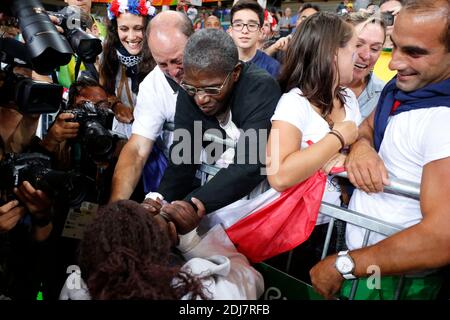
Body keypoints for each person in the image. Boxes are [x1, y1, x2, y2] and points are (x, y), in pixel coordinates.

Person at [310, 0, 450, 300]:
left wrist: (344, 265)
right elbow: (367, 129)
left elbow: (442, 237)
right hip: (364, 267)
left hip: (395, 283)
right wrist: (362, 148)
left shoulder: (444, 119)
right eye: (395, 46)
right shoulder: (404, 88)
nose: (393, 62)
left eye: (414, 52)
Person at [145, 28, 281, 233]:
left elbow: (250, 165)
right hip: (218, 193)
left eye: (212, 89)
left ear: (235, 73)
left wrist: (189, 205)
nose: (201, 98)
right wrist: (161, 200)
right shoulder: (188, 90)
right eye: (193, 88)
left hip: (258, 206)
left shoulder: (259, 87)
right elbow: (183, 157)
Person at [265, 12, 359, 279]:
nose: (359, 57)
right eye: (354, 49)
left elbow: (356, 149)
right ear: (333, 54)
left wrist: (351, 152)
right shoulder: (294, 103)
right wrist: (338, 140)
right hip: (295, 227)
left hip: (338, 223)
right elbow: (280, 175)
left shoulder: (349, 98)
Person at [59, 200, 264, 300]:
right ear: (163, 248)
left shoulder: (76, 288)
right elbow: (249, 279)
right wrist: (192, 241)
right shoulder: (202, 292)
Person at [109, 11, 194, 202]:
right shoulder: (153, 84)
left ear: (193, 40)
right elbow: (137, 149)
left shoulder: (219, 66)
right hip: (178, 181)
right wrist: (115, 206)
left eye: (177, 61)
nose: (172, 71)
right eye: (162, 63)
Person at [98, 0, 156, 138]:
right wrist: (115, 104)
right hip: (120, 133)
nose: (131, 37)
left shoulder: (159, 58)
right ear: (115, 30)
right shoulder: (106, 56)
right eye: (124, 29)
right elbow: (104, 91)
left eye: (138, 28)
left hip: (155, 136)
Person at [345, 12, 386, 119]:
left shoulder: (384, 95)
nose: (366, 55)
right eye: (358, 45)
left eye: (375, 49)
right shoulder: (314, 88)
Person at [229, 0, 280, 78]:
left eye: (252, 25)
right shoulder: (222, 64)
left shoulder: (272, 67)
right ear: (231, 31)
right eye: (238, 25)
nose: (245, 31)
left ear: (261, 31)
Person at [373, 0, 403, 82]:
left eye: (394, 13)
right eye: (384, 14)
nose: (388, 18)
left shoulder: (413, 50)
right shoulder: (367, 49)